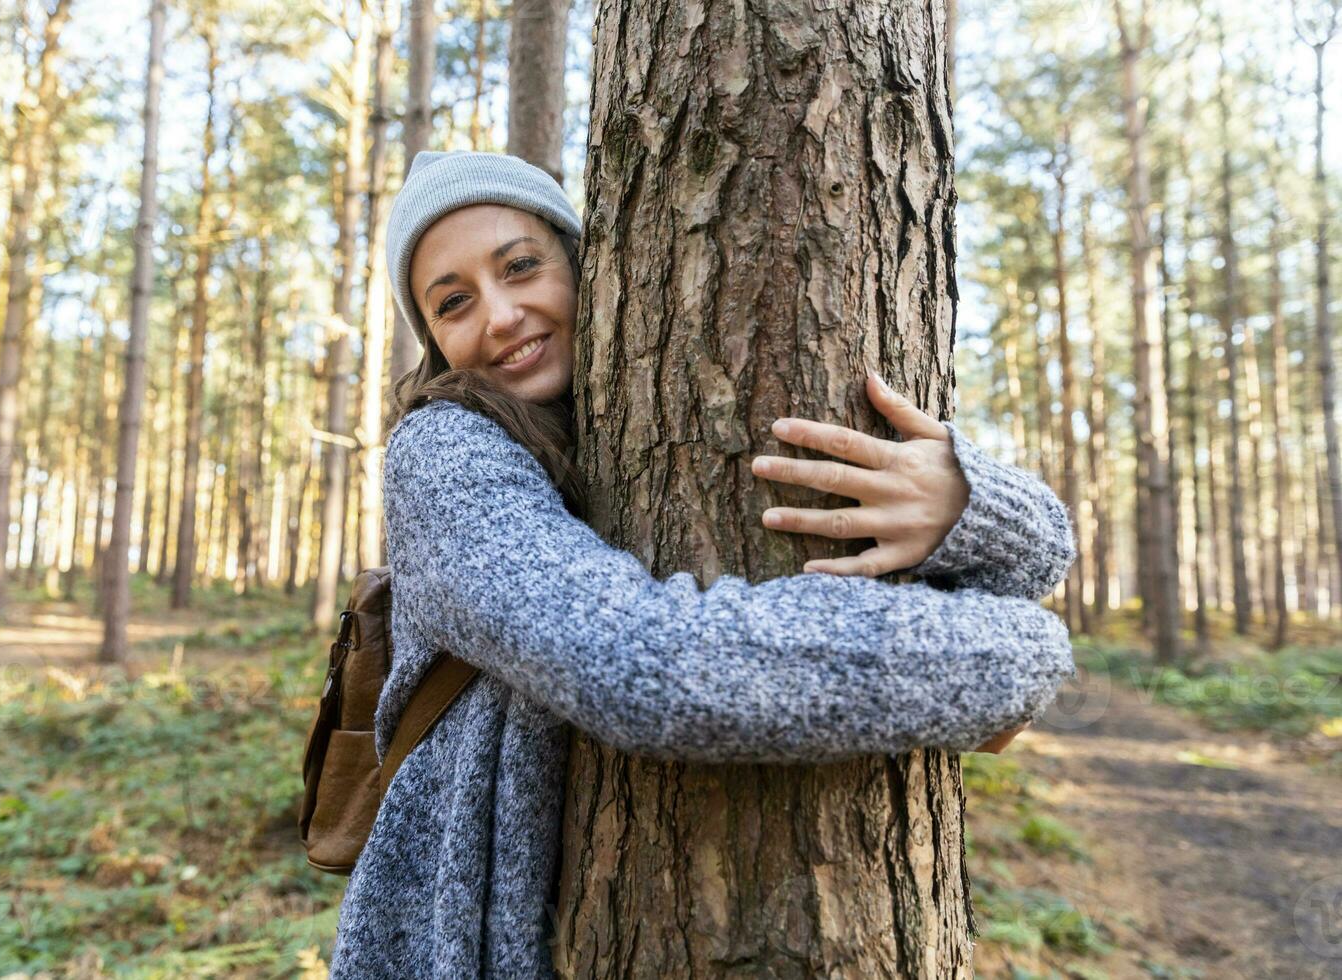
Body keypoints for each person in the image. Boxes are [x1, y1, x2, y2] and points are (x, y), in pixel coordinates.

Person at [328, 151, 1078, 978]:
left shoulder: (610, 417)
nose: (501, 315)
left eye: (521, 266)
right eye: (454, 302)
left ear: (584, 264)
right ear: (433, 339)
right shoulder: (444, 452)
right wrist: (1016, 657)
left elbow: (1044, 554)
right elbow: (642, 664)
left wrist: (966, 503)